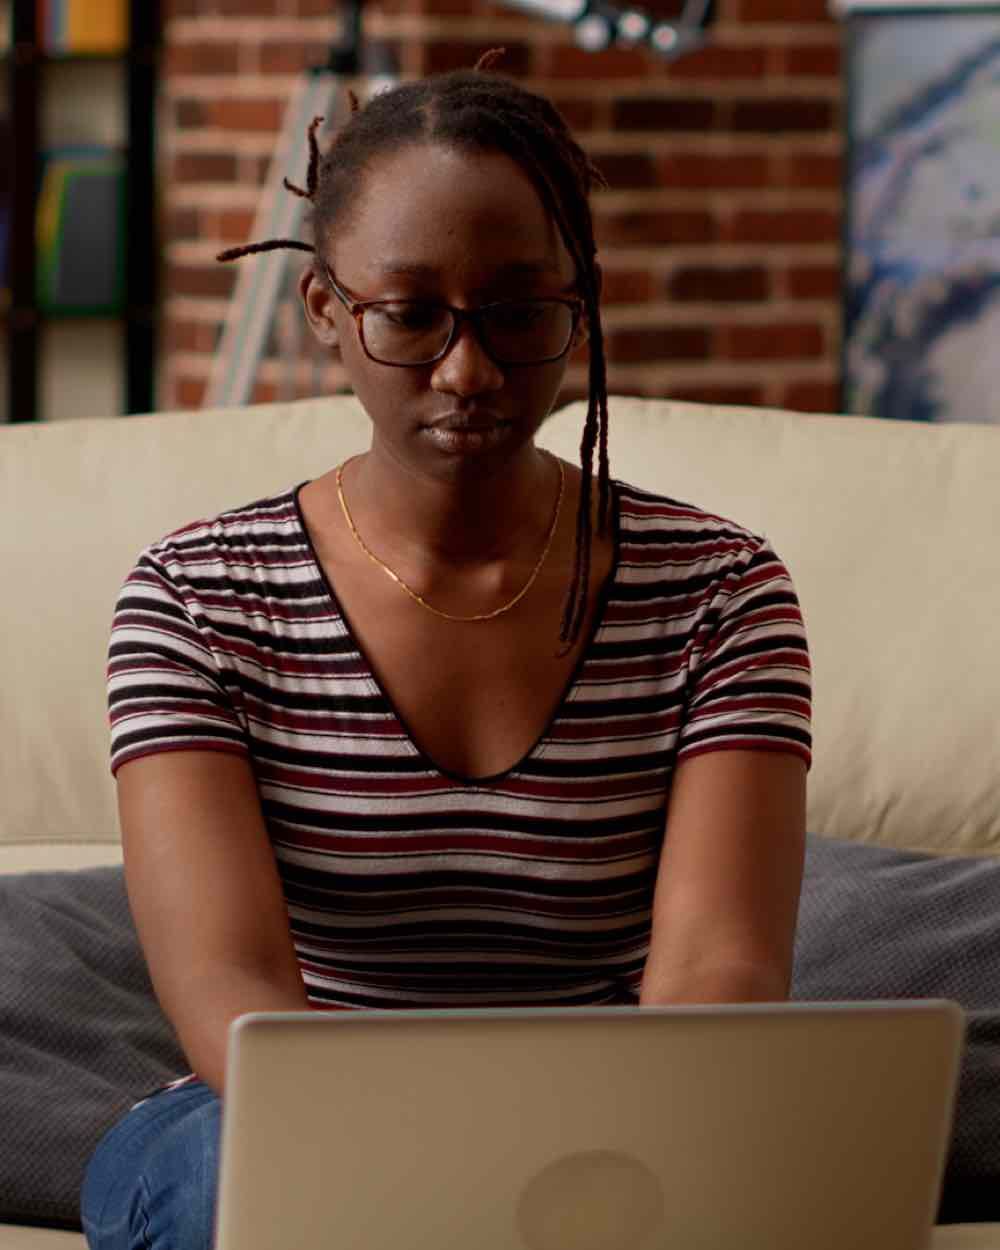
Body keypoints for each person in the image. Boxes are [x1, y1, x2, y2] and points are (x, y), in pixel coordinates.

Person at [81, 52, 811, 1250]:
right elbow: (231, 988)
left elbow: (714, 979)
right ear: (325, 309)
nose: (467, 371)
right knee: (230, 1182)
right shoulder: (197, 595)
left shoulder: (719, 592)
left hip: (612, 1121)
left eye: (519, 313)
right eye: (410, 314)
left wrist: (571, 1164)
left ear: (580, 304)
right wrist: (436, 1178)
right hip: (271, 1115)